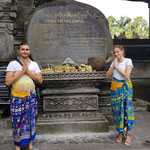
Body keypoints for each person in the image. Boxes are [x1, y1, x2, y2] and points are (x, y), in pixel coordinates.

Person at [5, 42, 42, 150]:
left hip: (30, 98)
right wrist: (22, 72)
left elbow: (40, 80)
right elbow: (8, 82)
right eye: (23, 49)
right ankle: (18, 147)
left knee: (30, 121)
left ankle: (30, 145)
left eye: (27, 49)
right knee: (17, 120)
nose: (25, 51)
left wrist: (29, 72)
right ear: (19, 51)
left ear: (30, 51)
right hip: (17, 98)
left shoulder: (34, 64)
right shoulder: (13, 64)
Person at [106, 45, 135, 146]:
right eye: (114, 52)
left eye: (118, 52)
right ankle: (120, 133)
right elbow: (107, 76)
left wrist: (117, 67)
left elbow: (127, 75)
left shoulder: (128, 61)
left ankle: (128, 134)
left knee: (127, 110)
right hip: (115, 89)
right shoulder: (114, 63)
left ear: (122, 51)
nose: (116, 54)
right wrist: (114, 65)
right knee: (117, 111)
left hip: (126, 89)